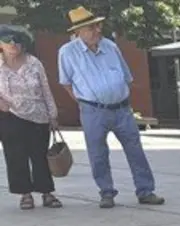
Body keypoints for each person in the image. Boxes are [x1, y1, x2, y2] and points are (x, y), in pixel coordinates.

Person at [56, 6, 163, 209]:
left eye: (97, 26)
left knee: (135, 150)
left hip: (122, 109)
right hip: (93, 110)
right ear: (77, 32)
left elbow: (126, 76)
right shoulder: (67, 53)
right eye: (90, 28)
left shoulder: (110, 46)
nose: (97, 30)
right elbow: (66, 82)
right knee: (97, 154)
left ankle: (146, 191)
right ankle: (106, 192)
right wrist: (83, 101)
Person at [0, 25, 61, 210]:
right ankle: (25, 194)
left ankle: (46, 192)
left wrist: (53, 115)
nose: (13, 45)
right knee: (15, 156)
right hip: (10, 115)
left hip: (38, 116)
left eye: (18, 42)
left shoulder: (34, 63)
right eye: (8, 42)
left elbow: (45, 90)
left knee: (39, 155)